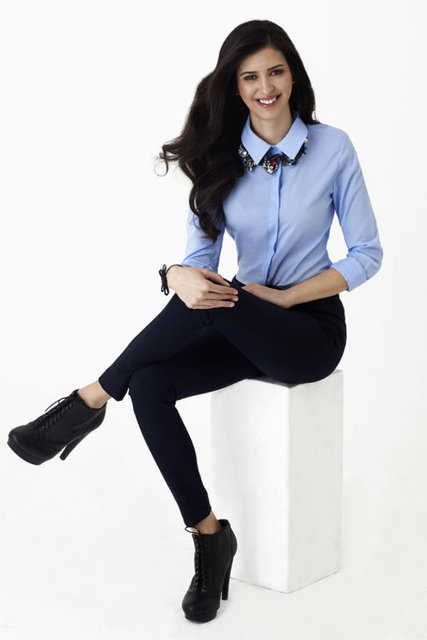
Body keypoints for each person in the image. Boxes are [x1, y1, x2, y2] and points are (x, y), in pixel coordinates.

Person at [7, 19, 383, 623]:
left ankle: (90, 398)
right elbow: (200, 265)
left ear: (294, 76)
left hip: (308, 331)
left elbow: (367, 255)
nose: (266, 88)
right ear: (235, 86)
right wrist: (175, 274)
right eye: (250, 77)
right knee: (151, 384)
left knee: (217, 298)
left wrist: (284, 298)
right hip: (239, 316)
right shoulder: (218, 158)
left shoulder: (333, 148)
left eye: (276, 72)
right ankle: (209, 537)